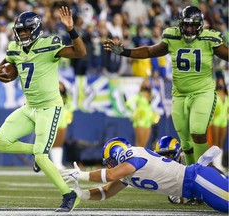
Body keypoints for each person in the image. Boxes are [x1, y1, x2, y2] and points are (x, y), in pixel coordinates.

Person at [103, 6, 229, 166]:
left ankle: (206, 170)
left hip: (203, 92)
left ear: (200, 25)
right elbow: (150, 51)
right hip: (179, 94)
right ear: (180, 24)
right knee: (186, 143)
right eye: (186, 25)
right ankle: (190, 173)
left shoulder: (210, 39)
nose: (189, 29)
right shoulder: (173, 37)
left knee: (197, 131)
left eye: (193, 25)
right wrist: (124, 52)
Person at [0, 6, 86, 212]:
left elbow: (80, 52)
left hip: (49, 107)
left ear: (35, 30)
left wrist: (71, 30)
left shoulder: (49, 45)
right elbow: (10, 63)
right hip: (29, 107)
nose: (23, 34)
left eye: (26, 30)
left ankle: (69, 195)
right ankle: (36, 152)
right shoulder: (14, 47)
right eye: (20, 31)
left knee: (43, 156)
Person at [61, 137, 229, 213]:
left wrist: (82, 176)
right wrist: (83, 194)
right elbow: (107, 191)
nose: (110, 164)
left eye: (111, 160)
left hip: (197, 179)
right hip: (196, 188)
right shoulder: (126, 171)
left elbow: (111, 174)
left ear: (118, 154)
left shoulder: (133, 154)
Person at [126, 78, 159, 147]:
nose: (147, 85)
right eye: (145, 83)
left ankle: (142, 157)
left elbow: (149, 108)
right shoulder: (139, 96)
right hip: (140, 122)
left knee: (144, 144)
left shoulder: (150, 96)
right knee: (139, 145)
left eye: (148, 84)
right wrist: (135, 112)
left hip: (148, 122)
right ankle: (137, 157)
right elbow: (128, 104)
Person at [50, 81, 75, 170]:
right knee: (54, 142)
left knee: (60, 142)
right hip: (54, 120)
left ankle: (58, 163)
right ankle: (54, 163)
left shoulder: (66, 97)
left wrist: (69, 114)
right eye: (58, 86)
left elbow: (71, 106)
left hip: (63, 121)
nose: (60, 88)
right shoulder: (52, 97)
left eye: (61, 86)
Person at [211, 75, 228, 173]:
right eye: (219, 83)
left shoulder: (226, 96)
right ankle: (215, 164)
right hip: (216, 120)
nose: (221, 84)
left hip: (224, 120)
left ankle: (219, 164)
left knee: (221, 142)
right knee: (215, 142)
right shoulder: (215, 95)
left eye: (222, 83)